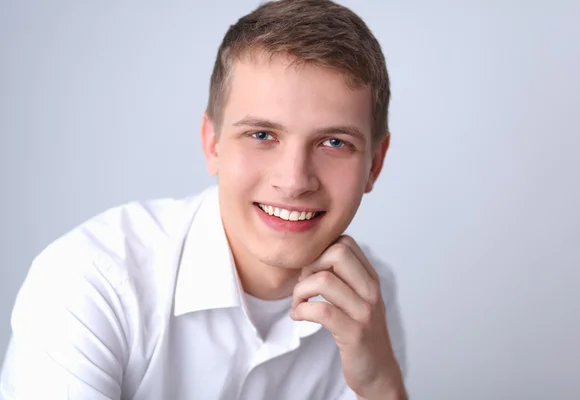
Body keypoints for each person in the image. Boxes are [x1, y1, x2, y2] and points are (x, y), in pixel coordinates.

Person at [0, 0, 408, 399]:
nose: (294, 180)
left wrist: (381, 385)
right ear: (212, 143)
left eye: (334, 142)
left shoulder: (367, 300)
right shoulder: (90, 281)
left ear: (375, 163)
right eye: (262, 135)